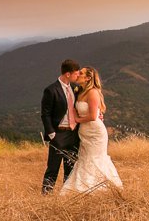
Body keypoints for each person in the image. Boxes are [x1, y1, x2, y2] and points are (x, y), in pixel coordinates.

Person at [60, 66, 122, 195]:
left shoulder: (93, 92)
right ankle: (82, 188)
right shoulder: (80, 91)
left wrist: (76, 119)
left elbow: (93, 116)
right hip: (84, 133)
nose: (78, 75)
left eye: (81, 73)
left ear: (88, 78)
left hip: (95, 133)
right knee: (85, 159)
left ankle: (100, 189)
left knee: (95, 159)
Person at [40, 59, 81, 194]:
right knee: (53, 168)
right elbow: (45, 114)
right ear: (68, 74)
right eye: (76, 74)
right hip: (59, 134)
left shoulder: (75, 89)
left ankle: (66, 195)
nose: (78, 76)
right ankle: (46, 196)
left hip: (73, 134)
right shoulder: (51, 90)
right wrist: (52, 134)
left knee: (70, 168)